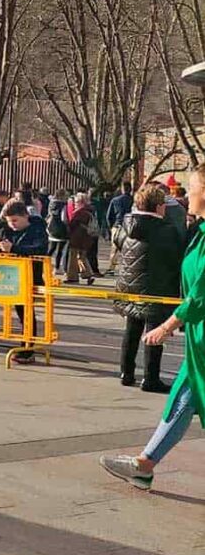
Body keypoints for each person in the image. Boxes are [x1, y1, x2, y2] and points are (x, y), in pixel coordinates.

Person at [100, 163, 205, 490]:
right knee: (184, 397)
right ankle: (144, 465)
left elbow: (200, 295)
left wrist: (167, 324)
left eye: (193, 189)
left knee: (187, 396)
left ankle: (145, 464)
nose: (187, 196)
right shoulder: (199, 232)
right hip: (198, 339)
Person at [112, 186, 183, 392]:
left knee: (131, 330)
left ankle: (126, 372)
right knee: (154, 333)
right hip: (156, 286)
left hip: (129, 285)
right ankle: (151, 378)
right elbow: (176, 254)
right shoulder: (166, 230)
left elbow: (118, 242)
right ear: (160, 207)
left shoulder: (126, 225)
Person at [0, 200, 48, 364]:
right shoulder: (6, 229)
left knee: (27, 314)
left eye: (15, 220)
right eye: (9, 221)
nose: (12, 224)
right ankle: (25, 345)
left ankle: (27, 348)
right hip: (10, 277)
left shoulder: (37, 228)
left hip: (30, 277)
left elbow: (40, 248)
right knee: (21, 314)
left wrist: (13, 248)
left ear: (25, 216)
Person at [65, 192, 99, 284]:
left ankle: (72, 277)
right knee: (82, 257)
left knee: (73, 257)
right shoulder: (90, 211)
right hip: (86, 238)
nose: (75, 204)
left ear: (82, 202)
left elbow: (72, 225)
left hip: (77, 238)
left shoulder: (80, 213)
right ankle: (88, 274)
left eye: (76, 202)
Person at [106, 181, 134, 274]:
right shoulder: (134, 200)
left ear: (122, 189)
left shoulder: (115, 200)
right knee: (129, 249)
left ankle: (111, 268)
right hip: (130, 226)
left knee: (114, 249)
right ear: (130, 189)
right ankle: (127, 268)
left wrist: (111, 227)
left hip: (117, 225)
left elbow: (109, 216)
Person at [46, 189, 69, 275]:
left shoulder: (51, 203)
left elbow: (49, 214)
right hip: (61, 229)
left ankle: (44, 264)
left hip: (52, 227)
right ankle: (57, 267)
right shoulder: (63, 205)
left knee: (51, 248)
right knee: (60, 250)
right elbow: (64, 218)